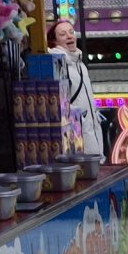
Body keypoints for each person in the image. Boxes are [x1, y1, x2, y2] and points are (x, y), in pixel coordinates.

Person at [49, 16, 106, 159]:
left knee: (96, 161)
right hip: (77, 132)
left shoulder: (79, 63)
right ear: (55, 42)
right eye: (63, 34)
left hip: (92, 128)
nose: (69, 36)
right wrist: (79, 118)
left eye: (71, 32)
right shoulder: (58, 64)